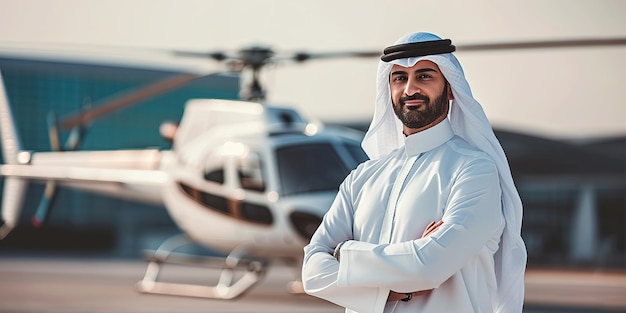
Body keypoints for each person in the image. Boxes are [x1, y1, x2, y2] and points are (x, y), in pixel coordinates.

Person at [301, 31, 527, 313]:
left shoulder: (474, 170)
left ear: (451, 87)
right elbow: (312, 271)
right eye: (399, 78)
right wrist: (392, 289)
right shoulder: (362, 178)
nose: (410, 89)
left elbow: (430, 265)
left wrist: (344, 253)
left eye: (424, 76)